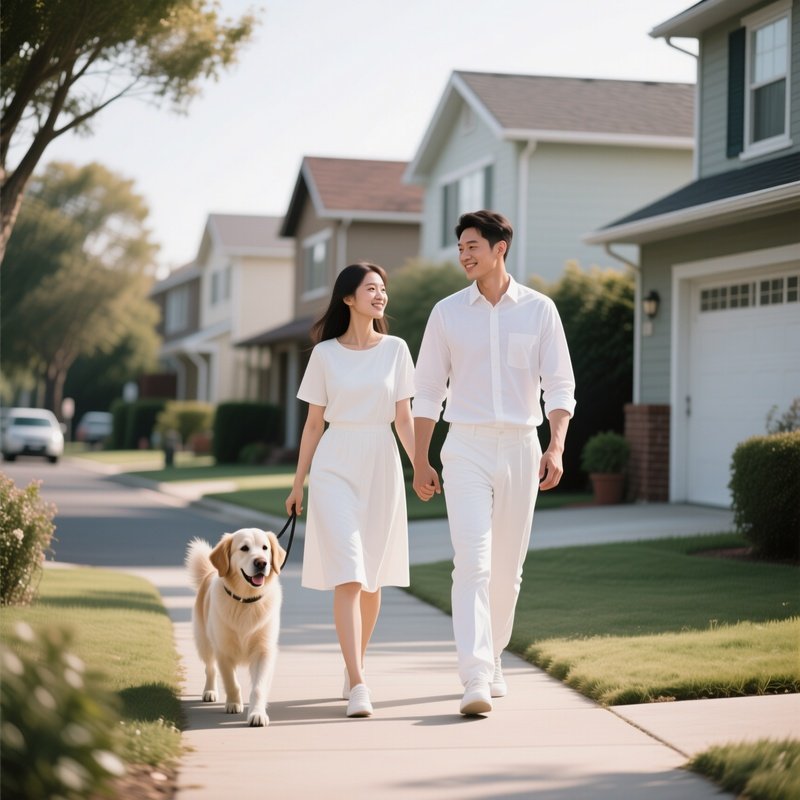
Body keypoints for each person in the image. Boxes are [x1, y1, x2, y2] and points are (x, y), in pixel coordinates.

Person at [412, 210, 575, 716]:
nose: (464, 255)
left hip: (522, 446)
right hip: (465, 447)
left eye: (472, 246)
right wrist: (420, 458)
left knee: (507, 570)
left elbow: (560, 385)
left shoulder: (540, 310)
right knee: (473, 563)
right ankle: (476, 675)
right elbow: (427, 390)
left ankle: (495, 655)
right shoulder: (446, 313)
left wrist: (555, 446)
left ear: (499, 248)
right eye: (460, 247)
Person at [286, 262, 415, 718]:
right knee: (350, 573)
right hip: (334, 465)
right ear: (348, 298)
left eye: (383, 289)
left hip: (381, 463)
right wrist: (298, 483)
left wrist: (421, 464)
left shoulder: (397, 350)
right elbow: (313, 424)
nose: (380, 296)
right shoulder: (324, 355)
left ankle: (353, 662)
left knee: (373, 577)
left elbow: (404, 419)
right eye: (371, 289)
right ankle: (359, 683)